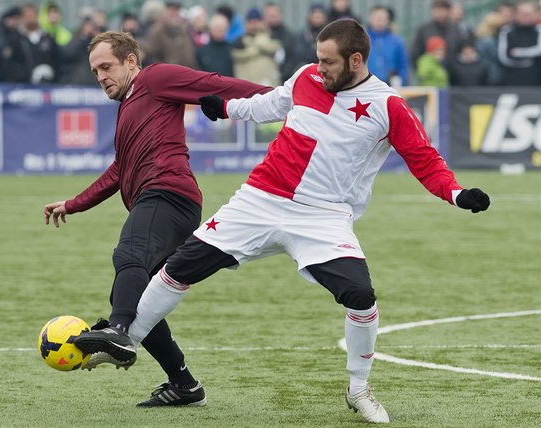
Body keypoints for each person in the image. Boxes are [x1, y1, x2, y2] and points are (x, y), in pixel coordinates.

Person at [115, 19, 489, 423]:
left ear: (356, 60)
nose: (319, 67)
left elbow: (425, 160)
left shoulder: (388, 105)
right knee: (178, 268)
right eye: (317, 58)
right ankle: (124, 342)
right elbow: (270, 103)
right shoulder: (308, 76)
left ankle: (359, 389)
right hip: (259, 200)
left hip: (323, 216)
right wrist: (225, 108)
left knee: (361, 297)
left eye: (328, 61)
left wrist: (456, 194)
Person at [43, 31, 271, 406]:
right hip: (162, 200)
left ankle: (118, 332)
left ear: (131, 61)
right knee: (132, 297)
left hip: (167, 193)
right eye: (95, 70)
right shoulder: (128, 105)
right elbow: (119, 170)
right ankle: (185, 385)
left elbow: (219, 84)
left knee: (128, 257)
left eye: (107, 67)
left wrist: (287, 95)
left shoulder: (155, 78)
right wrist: (74, 203)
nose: (100, 76)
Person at [232, 7, 282, 87]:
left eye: (256, 22)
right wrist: (259, 47)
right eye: (250, 22)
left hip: (268, 86)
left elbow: (274, 48)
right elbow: (236, 54)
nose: (253, 25)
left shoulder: (272, 37)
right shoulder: (239, 42)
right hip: (247, 86)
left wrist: (258, 40)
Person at [496, 0, 541, 86]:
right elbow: (504, 58)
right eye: (523, 14)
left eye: (529, 14)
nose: (527, 17)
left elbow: (539, 50)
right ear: (516, 14)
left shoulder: (539, 31)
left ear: (535, 14)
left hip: (536, 81)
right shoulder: (506, 31)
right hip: (511, 81)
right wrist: (528, 61)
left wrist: (518, 52)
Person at [366, 5, 409, 86]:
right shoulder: (363, 40)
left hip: (391, 86)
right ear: (371, 19)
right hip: (368, 85)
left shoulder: (397, 41)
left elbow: (403, 64)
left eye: (383, 18)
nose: (380, 20)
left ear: (388, 20)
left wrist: (401, 82)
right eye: (377, 17)